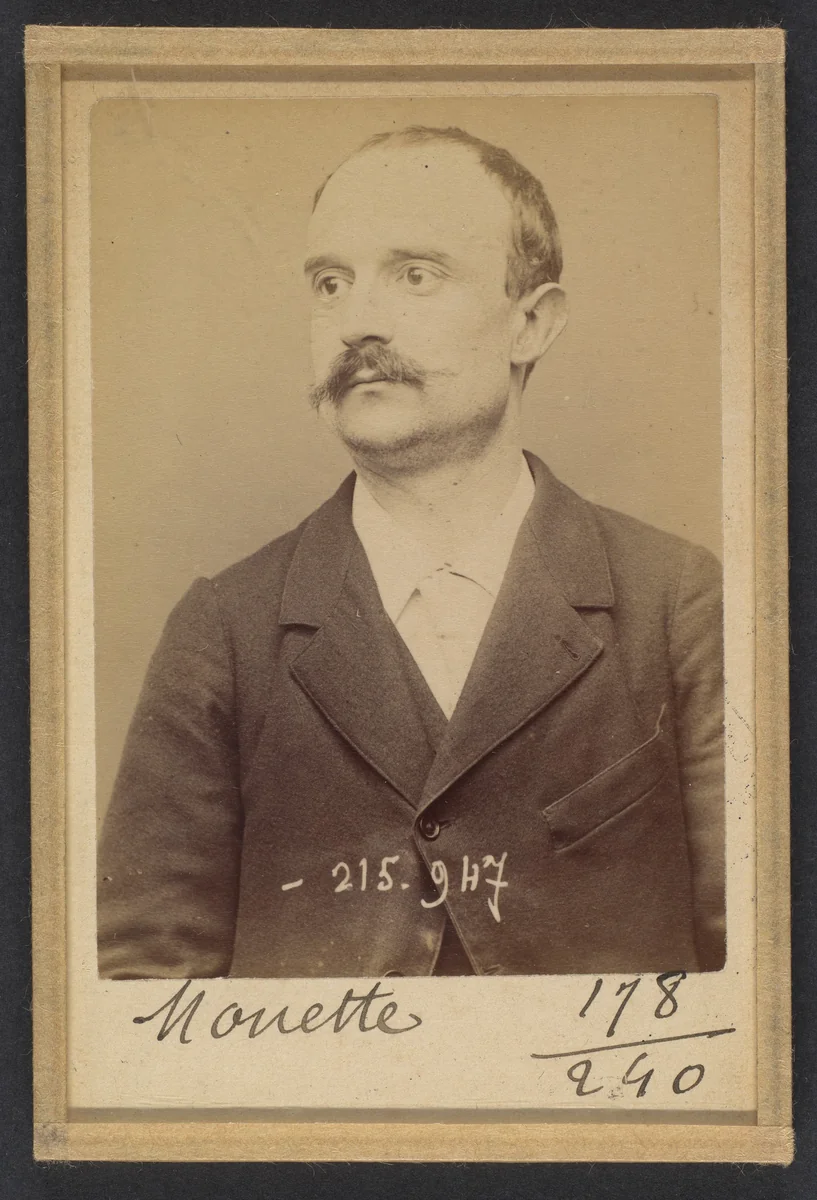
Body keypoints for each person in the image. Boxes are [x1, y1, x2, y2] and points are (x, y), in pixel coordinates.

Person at [98, 125, 725, 980]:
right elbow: (141, 989)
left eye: (415, 275)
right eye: (329, 284)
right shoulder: (225, 629)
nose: (357, 321)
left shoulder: (677, 602)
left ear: (531, 324)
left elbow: (767, 971)